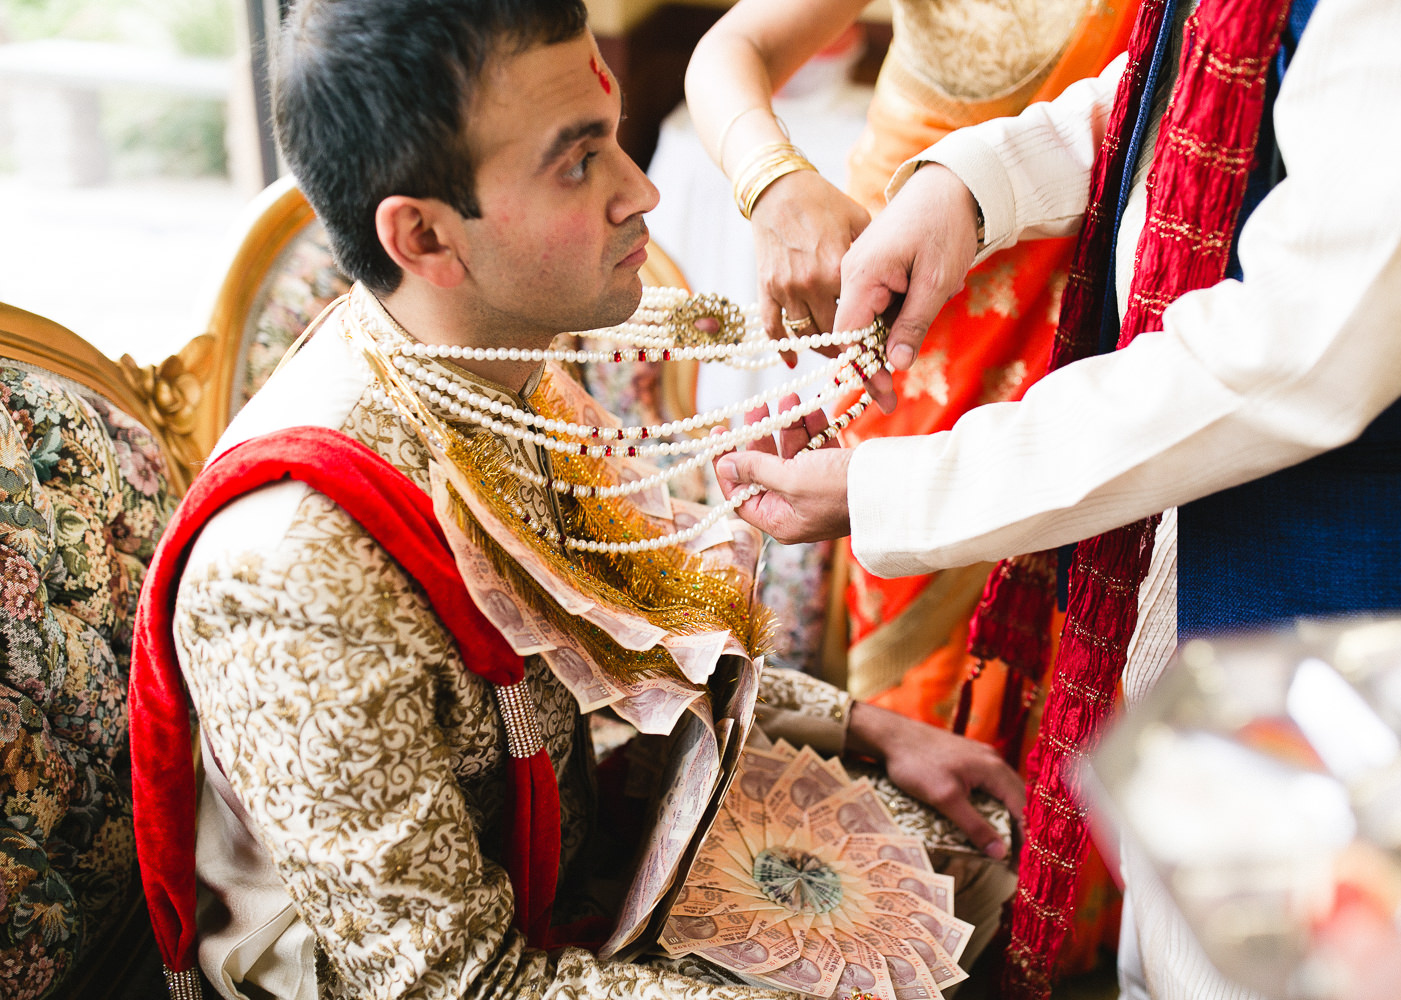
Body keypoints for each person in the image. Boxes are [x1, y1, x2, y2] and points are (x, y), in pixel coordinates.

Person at [126, 2, 1028, 999]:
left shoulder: (490, 364)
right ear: (423, 233)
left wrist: (864, 724)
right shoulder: (295, 567)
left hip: (569, 870)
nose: (641, 187)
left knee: (977, 885)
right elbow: (457, 986)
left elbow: (615, 648)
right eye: (578, 160)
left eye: (614, 132)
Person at [714, 0, 1401, 997]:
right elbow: (1209, 86)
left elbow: (1286, 356)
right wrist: (972, 183)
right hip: (1193, 599)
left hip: (1376, 622)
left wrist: (903, 484)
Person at [685, 0, 1134, 734]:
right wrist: (772, 181)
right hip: (908, 334)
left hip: (1113, 336)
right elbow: (730, 48)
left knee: (1090, 652)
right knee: (929, 673)